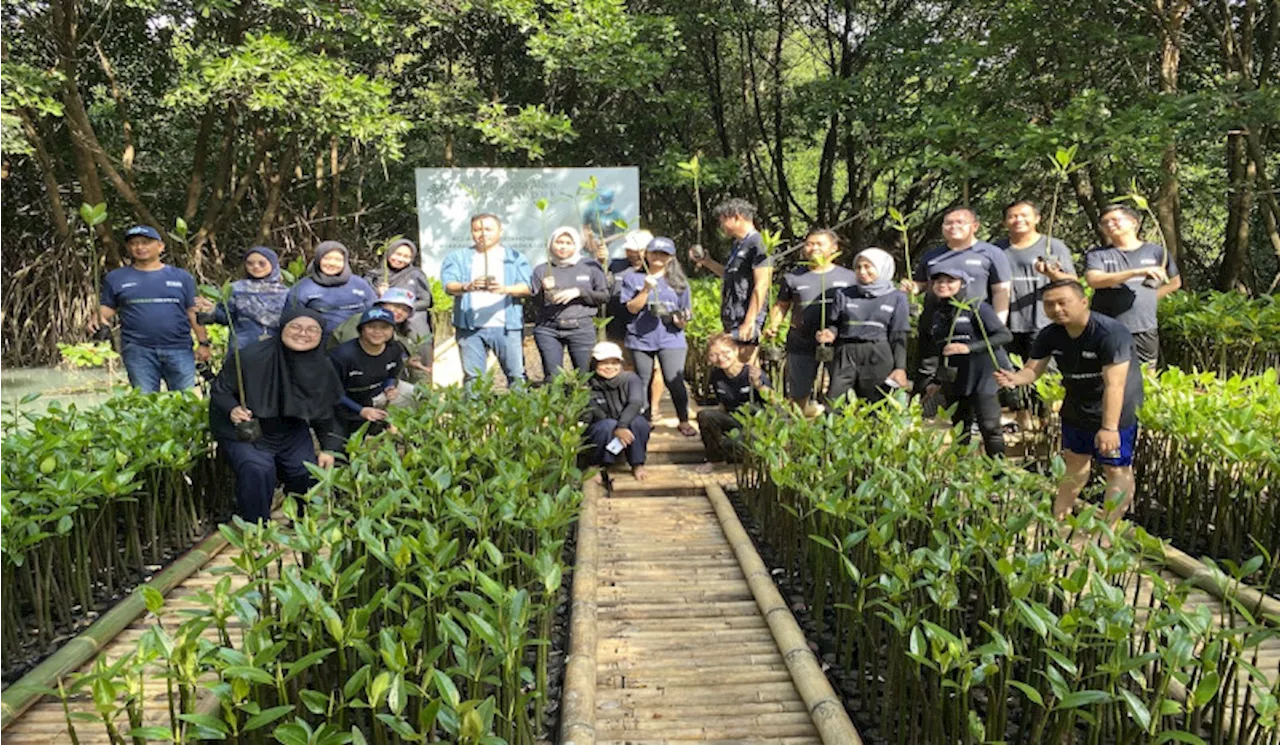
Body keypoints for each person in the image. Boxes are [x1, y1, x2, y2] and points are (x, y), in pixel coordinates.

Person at [995, 279, 1145, 524]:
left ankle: (1108, 531)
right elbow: (1033, 370)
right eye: (1049, 305)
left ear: (1084, 301)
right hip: (1077, 404)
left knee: (1116, 469)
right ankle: (1059, 520)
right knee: (1074, 462)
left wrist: (1109, 428)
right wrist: (1015, 378)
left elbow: (1115, 385)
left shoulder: (1110, 333)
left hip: (1116, 409)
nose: (1056, 309)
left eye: (1063, 303)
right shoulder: (1050, 334)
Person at [209, 308, 343, 523]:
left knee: (304, 469)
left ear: (321, 335)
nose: (303, 334)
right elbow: (220, 391)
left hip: (290, 428)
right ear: (282, 328)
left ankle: (302, 523)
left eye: (312, 330)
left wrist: (328, 448)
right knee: (258, 470)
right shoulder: (250, 357)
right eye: (296, 327)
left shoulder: (322, 366)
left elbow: (326, 411)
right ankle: (256, 529)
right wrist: (233, 409)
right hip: (249, 430)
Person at [90, 224, 211, 392]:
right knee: (145, 405)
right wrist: (98, 317)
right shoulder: (116, 277)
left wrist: (203, 343)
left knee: (185, 403)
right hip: (138, 350)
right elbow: (108, 308)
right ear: (128, 248)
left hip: (179, 348)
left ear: (160, 246)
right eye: (134, 243)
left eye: (146, 242)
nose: (140, 247)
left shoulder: (182, 277)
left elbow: (192, 312)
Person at [993, 201, 1078, 427]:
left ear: (1037, 218)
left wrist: (1052, 274)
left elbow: (1073, 282)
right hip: (1008, 322)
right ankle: (1022, 418)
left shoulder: (1053, 246)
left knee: (1046, 372)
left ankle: (1049, 420)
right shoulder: (997, 249)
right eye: (1012, 216)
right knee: (1011, 371)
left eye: (1024, 215)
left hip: (1043, 321)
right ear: (1004, 222)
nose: (1018, 220)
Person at [918, 268, 1013, 457]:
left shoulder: (977, 306)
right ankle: (963, 473)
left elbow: (1004, 335)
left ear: (962, 284)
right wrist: (936, 380)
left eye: (949, 281)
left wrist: (969, 348)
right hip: (957, 375)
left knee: (989, 425)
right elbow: (936, 349)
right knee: (960, 426)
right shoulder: (935, 313)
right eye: (938, 281)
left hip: (984, 372)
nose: (943, 285)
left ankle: (1000, 474)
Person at [765, 228, 856, 408]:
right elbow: (782, 305)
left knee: (840, 394)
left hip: (838, 342)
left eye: (819, 244)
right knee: (798, 393)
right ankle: (800, 429)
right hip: (801, 341)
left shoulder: (850, 277)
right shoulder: (793, 277)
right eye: (809, 244)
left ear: (834, 247)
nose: (813, 248)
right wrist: (773, 325)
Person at [440, 213, 532, 387]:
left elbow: (528, 287)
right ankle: (475, 414)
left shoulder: (514, 257)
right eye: (477, 229)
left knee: (516, 375)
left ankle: (520, 413)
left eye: (488, 229)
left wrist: (505, 289)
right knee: (473, 378)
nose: (483, 234)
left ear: (500, 230)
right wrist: (468, 286)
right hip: (470, 327)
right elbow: (448, 285)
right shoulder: (458, 257)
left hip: (507, 326)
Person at [1084, 204, 1181, 366]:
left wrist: (1149, 298)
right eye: (1104, 222)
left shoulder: (1156, 252)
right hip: (1106, 326)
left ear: (1134, 222)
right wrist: (1136, 272)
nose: (1109, 225)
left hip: (1143, 326)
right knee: (1106, 375)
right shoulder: (1097, 254)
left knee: (1146, 376)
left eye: (1115, 220)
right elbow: (1094, 280)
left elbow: (1175, 282)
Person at [620, 236, 697, 437]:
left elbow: (686, 311)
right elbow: (631, 308)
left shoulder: (679, 282)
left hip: (671, 337)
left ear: (671, 257)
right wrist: (646, 289)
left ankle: (684, 420)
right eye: (654, 253)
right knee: (642, 380)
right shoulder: (632, 278)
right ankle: (643, 421)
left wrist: (681, 320)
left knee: (674, 380)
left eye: (664, 254)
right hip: (640, 337)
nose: (658, 258)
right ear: (646, 253)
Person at [818, 248, 910, 404]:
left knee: (875, 404)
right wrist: (829, 333)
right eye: (858, 267)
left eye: (868, 267)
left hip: (878, 353)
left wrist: (900, 368)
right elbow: (834, 324)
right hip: (846, 352)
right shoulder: (844, 294)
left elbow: (899, 334)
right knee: (835, 403)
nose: (862, 271)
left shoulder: (897, 297)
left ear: (882, 268)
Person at [531, 227, 609, 378]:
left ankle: (584, 402)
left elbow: (604, 296)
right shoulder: (541, 269)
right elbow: (535, 303)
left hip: (581, 327)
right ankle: (556, 401)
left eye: (568, 243)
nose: (563, 246)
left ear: (577, 245)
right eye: (559, 242)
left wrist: (579, 292)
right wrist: (543, 289)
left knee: (585, 376)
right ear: (551, 244)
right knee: (553, 377)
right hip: (548, 328)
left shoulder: (590, 266)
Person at [692, 198, 771, 342]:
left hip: (746, 316)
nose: (721, 226)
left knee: (745, 362)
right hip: (732, 314)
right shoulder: (738, 244)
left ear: (736, 217)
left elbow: (762, 284)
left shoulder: (758, 243)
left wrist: (749, 321)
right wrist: (707, 262)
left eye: (723, 221)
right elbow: (731, 274)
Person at [329, 308, 406, 441]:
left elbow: (393, 374)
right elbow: (331, 390)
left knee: (414, 394)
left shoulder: (394, 349)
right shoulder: (342, 355)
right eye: (371, 326)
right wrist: (361, 410)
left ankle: (404, 436)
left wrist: (390, 387)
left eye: (385, 327)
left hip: (374, 394)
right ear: (361, 329)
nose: (378, 332)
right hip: (342, 402)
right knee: (343, 448)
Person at [696, 334, 770, 471]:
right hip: (733, 418)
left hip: (754, 423)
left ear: (736, 351)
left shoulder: (751, 373)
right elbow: (722, 405)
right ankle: (715, 459)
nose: (720, 358)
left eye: (725, 353)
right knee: (705, 415)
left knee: (733, 444)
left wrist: (759, 385)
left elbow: (774, 401)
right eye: (714, 355)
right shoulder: (716, 375)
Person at [194, 246, 290, 349]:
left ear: (273, 264)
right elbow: (226, 318)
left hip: (276, 348)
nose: (256, 267)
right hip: (242, 348)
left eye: (262, 263)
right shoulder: (235, 289)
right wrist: (211, 310)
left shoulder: (287, 293)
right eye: (250, 263)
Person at [584, 341, 650, 482]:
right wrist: (616, 427)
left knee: (639, 422)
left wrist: (621, 426)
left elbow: (635, 403)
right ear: (595, 364)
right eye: (604, 363)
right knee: (606, 425)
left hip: (626, 426)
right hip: (602, 427)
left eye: (614, 363)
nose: (610, 367)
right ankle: (595, 464)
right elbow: (594, 411)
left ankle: (637, 463)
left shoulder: (631, 379)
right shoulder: (587, 383)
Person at [366, 238, 434, 373]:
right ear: (388, 253)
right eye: (397, 254)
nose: (401, 259)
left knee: (418, 327)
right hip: (383, 320)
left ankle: (422, 377)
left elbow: (427, 301)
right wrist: (380, 294)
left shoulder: (415, 274)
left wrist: (404, 308)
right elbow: (366, 301)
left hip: (410, 321)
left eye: (406, 256)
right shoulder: (374, 276)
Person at [285, 241, 376, 337]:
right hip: (316, 341)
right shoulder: (303, 287)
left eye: (338, 259)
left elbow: (374, 312)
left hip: (356, 341)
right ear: (318, 259)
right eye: (327, 258)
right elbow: (290, 319)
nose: (332, 263)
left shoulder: (359, 284)